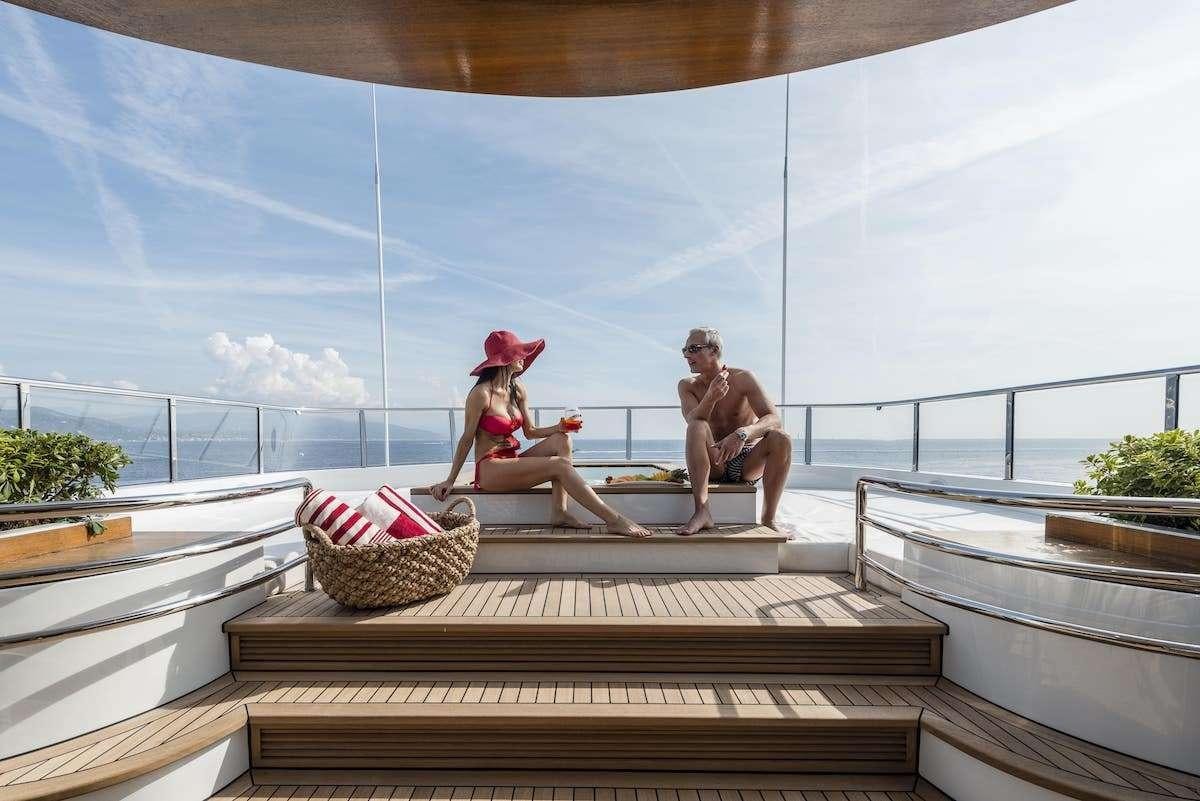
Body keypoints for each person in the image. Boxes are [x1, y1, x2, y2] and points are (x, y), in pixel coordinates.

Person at [429, 330, 651, 538]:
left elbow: (530, 432)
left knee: (562, 440)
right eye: (519, 353)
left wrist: (559, 427)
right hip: (490, 468)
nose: (524, 357)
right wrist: (451, 479)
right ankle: (614, 519)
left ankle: (559, 511)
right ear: (506, 358)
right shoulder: (481, 394)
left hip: (511, 461)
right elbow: (467, 438)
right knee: (559, 465)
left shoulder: (517, 389)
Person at [676, 326, 792, 535]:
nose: (686, 355)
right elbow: (692, 420)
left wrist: (742, 434)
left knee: (781, 438)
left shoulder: (743, 378)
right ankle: (702, 512)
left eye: (693, 349)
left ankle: (768, 519)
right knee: (697, 425)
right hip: (714, 460)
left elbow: (774, 419)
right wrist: (711, 397)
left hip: (746, 459)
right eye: (684, 350)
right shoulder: (687, 385)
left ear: (714, 350)